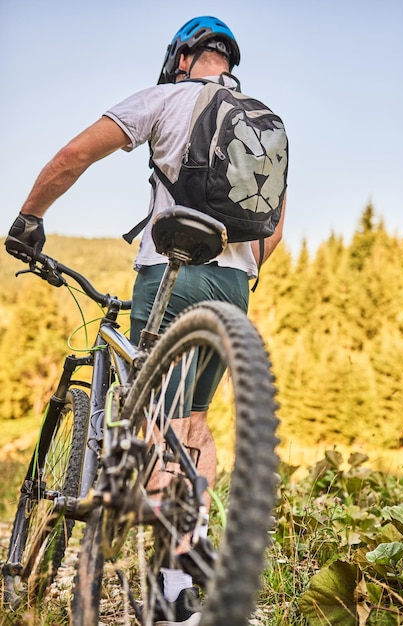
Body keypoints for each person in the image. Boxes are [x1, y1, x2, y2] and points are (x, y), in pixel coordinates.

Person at [5, 15, 287, 626]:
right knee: (192, 426)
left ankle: (171, 594)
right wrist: (232, 267)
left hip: (171, 275)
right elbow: (274, 230)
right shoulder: (262, 122)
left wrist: (29, 219)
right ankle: (188, 563)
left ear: (182, 57)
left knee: (156, 423)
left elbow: (72, 155)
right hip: (234, 286)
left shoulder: (165, 99)